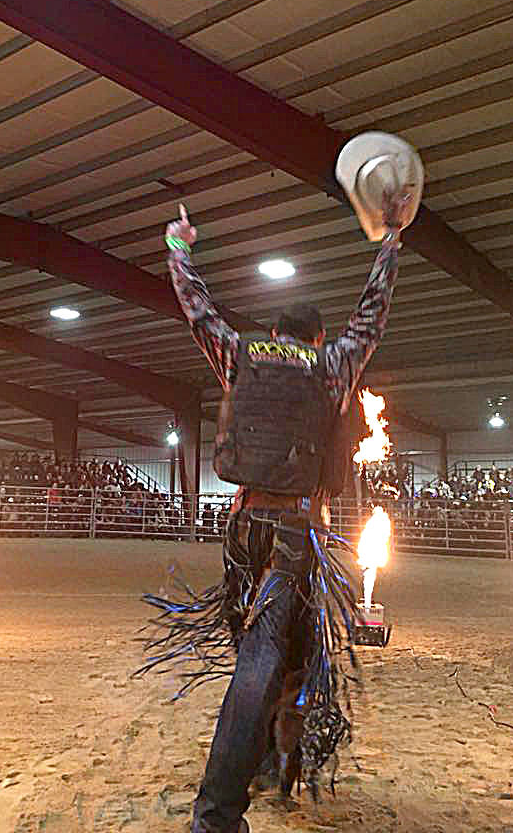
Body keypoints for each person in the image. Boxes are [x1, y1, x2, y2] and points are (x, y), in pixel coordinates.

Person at [150, 150, 417, 832]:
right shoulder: (332, 366)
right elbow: (374, 310)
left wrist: (181, 246)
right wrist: (390, 239)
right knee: (269, 658)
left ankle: (272, 760)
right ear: (317, 338)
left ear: (274, 334)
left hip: (241, 531)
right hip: (298, 536)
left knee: (272, 652)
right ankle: (217, 813)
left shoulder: (239, 356)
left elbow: (195, 305)